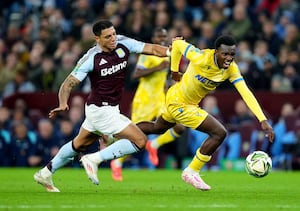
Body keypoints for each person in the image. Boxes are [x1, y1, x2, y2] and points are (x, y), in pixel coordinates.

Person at [33, 19, 171, 192]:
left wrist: (170, 51)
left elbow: (151, 48)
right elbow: (68, 83)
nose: (113, 39)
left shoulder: (123, 43)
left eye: (113, 34)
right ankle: (94, 159)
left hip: (107, 108)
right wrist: (62, 103)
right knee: (140, 140)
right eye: (108, 37)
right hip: (100, 110)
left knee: (79, 144)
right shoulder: (91, 58)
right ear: (97, 39)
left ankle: (45, 173)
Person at [136, 35, 275, 190]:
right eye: (225, 54)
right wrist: (174, 70)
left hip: (179, 99)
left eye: (232, 54)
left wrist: (262, 119)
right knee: (219, 133)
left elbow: (246, 93)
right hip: (180, 104)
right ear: (216, 52)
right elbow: (177, 44)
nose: (229, 58)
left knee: (157, 128)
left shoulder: (231, 69)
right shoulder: (200, 56)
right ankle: (191, 171)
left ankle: (122, 131)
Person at [110, 27, 185, 181]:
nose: (162, 40)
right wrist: (157, 68)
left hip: (160, 98)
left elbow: (163, 78)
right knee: (135, 135)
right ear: (153, 38)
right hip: (144, 100)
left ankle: (155, 145)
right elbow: (136, 74)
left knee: (180, 126)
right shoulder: (147, 54)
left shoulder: (166, 54)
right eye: (159, 37)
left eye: (164, 37)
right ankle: (117, 162)